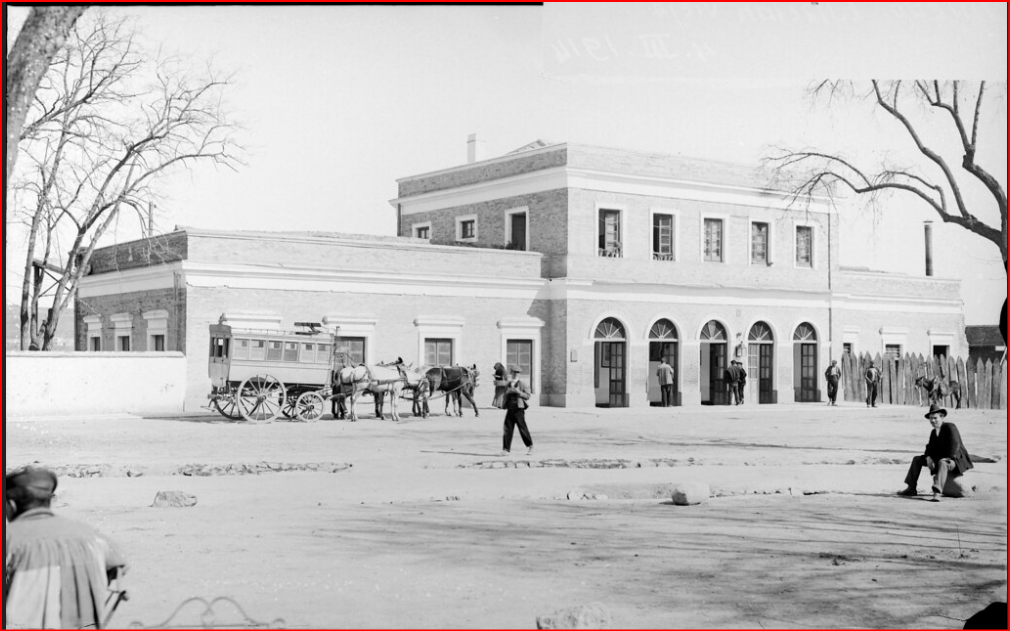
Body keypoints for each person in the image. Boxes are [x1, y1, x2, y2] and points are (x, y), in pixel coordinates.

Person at [5, 467, 128, 629]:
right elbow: (119, 565)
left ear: (11, 504)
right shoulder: (90, 534)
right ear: (49, 501)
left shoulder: (9, 537)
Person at [898, 404, 973, 502]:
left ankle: (937, 493)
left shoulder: (950, 427)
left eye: (935, 418)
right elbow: (929, 448)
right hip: (940, 459)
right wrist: (928, 458)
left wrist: (948, 458)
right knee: (917, 459)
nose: (933, 421)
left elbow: (955, 444)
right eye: (930, 419)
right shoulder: (933, 432)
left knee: (943, 462)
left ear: (941, 417)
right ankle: (911, 488)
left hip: (955, 460)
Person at [500, 365, 533, 456]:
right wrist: (506, 394)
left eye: (517, 373)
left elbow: (528, 396)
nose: (515, 374)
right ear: (511, 373)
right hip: (510, 409)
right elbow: (505, 396)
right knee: (507, 429)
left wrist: (519, 392)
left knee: (522, 428)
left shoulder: (522, 384)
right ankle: (506, 449)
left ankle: (530, 446)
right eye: (514, 372)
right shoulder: (508, 384)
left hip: (519, 409)